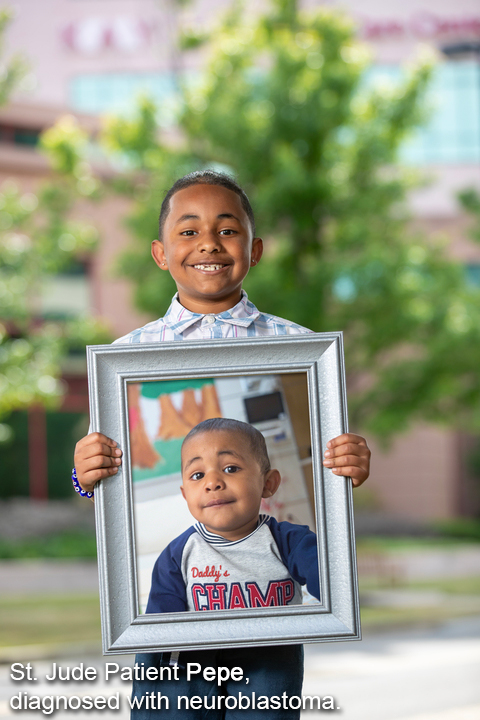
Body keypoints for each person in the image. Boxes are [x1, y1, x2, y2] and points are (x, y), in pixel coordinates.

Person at [73, 170, 371, 718]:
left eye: (226, 230)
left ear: (254, 250)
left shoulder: (298, 348)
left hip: (270, 632)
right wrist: (87, 472)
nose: (208, 243)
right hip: (177, 649)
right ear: (161, 254)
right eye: (188, 232)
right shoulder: (127, 358)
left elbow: (331, 478)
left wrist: (350, 462)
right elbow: (110, 490)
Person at [147, 417, 320, 615]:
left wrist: (342, 476)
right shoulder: (176, 558)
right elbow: (159, 636)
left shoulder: (291, 543)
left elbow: (338, 589)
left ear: (268, 484)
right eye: (197, 475)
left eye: (230, 468)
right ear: (185, 495)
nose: (212, 483)